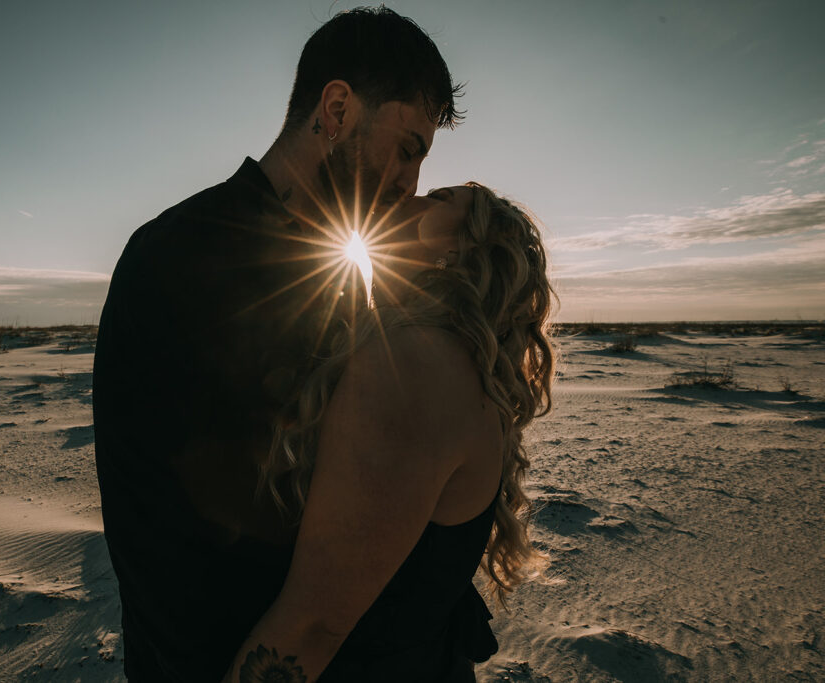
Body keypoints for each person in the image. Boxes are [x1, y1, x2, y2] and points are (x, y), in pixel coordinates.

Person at [92, 7, 462, 681]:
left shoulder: (340, 274)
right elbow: (167, 551)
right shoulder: (179, 257)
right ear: (339, 108)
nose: (412, 182)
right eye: (408, 148)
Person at [220, 183, 555, 682]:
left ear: (462, 248)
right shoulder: (446, 362)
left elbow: (314, 624)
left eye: (439, 199)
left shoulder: (418, 366)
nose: (412, 194)